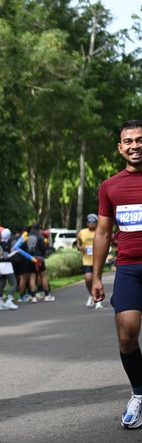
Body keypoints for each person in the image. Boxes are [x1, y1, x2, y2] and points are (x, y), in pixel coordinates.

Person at [92, 119, 142, 430]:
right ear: (120, 148)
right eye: (129, 141)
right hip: (128, 269)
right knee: (126, 333)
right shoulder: (109, 186)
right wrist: (97, 276)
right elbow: (102, 232)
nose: (136, 145)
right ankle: (139, 392)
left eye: (140, 139)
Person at [77, 213, 102, 309]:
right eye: (89, 221)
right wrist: (80, 247)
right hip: (87, 260)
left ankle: (98, 301)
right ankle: (92, 294)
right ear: (87, 223)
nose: (91, 223)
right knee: (88, 279)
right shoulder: (82, 232)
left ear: (97, 223)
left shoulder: (100, 231)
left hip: (98, 260)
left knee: (97, 279)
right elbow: (78, 243)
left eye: (94, 221)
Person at [26, 222, 55, 302]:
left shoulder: (27, 236)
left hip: (30, 258)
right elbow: (43, 248)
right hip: (39, 258)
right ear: (39, 228)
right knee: (43, 276)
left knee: (32, 277)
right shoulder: (40, 236)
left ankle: (33, 297)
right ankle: (47, 295)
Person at [0, 228, 19, 310]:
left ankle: (0, 302)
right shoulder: (5, 244)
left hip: (0, 265)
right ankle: (9, 300)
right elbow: (6, 256)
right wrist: (14, 252)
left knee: (2, 284)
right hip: (6, 265)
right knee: (14, 283)